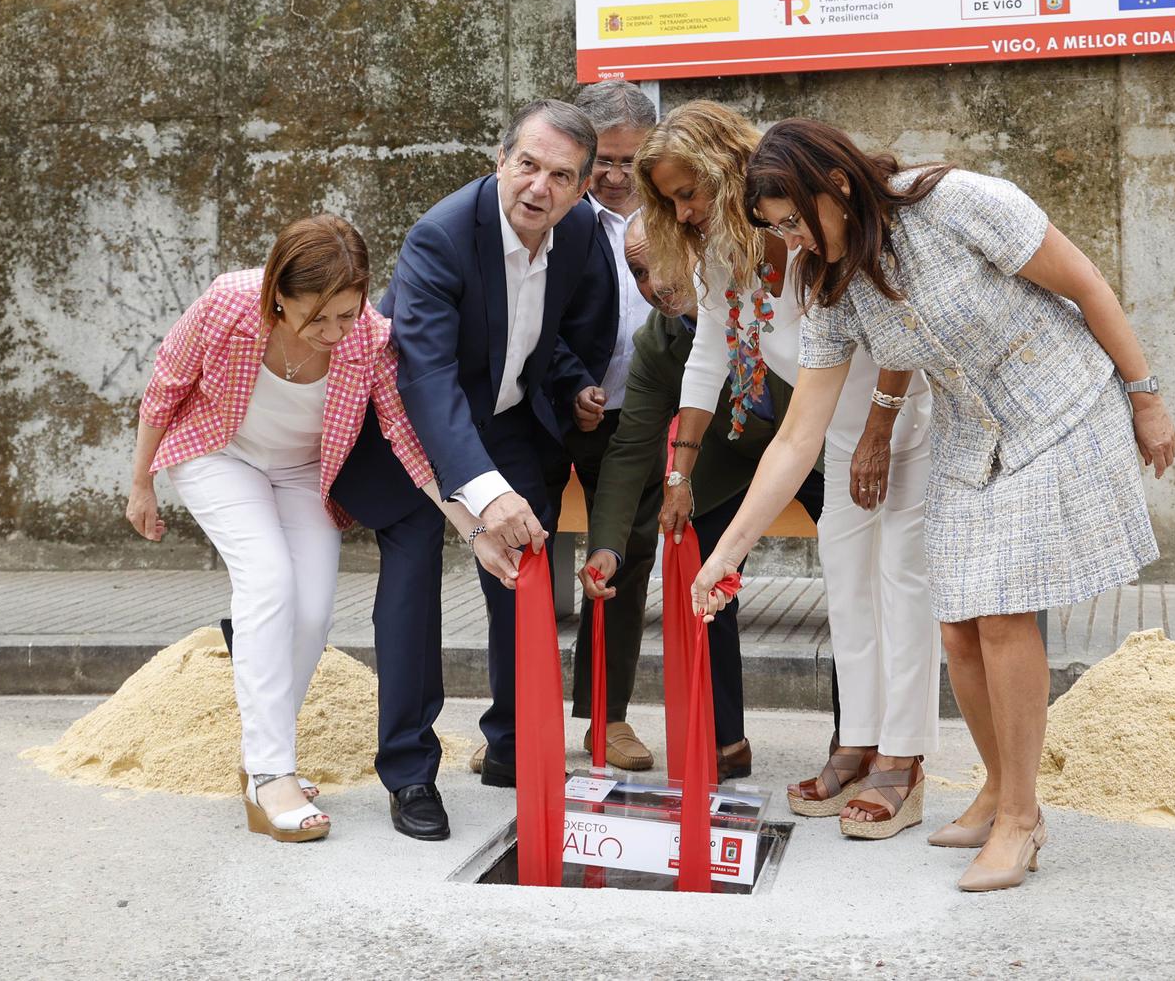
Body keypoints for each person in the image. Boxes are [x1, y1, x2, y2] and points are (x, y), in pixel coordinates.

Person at [692, 120, 1175, 892]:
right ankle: (999, 785)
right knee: (957, 623)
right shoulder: (830, 284)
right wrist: (726, 552)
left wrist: (1145, 396)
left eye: (793, 219)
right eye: (776, 227)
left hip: (1056, 403)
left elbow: (1085, 283)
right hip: (968, 431)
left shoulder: (957, 202)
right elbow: (796, 437)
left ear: (838, 185)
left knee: (1003, 611)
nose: (791, 240)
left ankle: (1021, 817)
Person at [127, 215, 486, 844]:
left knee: (313, 610)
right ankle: (271, 774)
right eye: (316, 318)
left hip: (302, 471)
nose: (333, 333)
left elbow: (405, 439)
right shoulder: (228, 305)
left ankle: (260, 756)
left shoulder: (370, 338)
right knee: (268, 582)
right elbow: (165, 386)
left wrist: (469, 524)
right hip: (218, 452)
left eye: (346, 314)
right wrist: (140, 483)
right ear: (276, 295)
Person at [638, 101, 939, 842]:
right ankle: (857, 743)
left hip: (909, 421)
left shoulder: (822, 241)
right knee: (846, 583)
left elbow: (900, 328)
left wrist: (878, 427)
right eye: (672, 199)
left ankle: (904, 761)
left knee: (902, 583)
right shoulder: (724, 256)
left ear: (730, 170)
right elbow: (711, 356)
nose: (685, 210)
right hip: (834, 434)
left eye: (692, 191)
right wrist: (681, 468)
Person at [348, 99, 614, 795]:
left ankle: (515, 747)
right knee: (413, 586)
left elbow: (563, 329)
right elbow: (427, 378)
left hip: (503, 417)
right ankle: (409, 772)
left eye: (561, 176)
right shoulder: (439, 236)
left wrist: (575, 385)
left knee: (525, 558)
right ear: (500, 160)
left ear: (583, 189)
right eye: (527, 164)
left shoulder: (581, 230)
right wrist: (484, 494)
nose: (539, 187)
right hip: (408, 423)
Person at [576, 214, 828, 779]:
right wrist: (607, 549)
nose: (654, 284)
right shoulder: (658, 343)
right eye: (638, 272)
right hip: (731, 460)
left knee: (851, 565)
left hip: (821, 444)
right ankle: (722, 738)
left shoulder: (773, 296)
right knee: (698, 561)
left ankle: (853, 742)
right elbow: (629, 450)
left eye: (662, 262)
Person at [546, 81, 661, 771]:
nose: (615, 176)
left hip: (637, 419)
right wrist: (570, 384)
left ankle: (607, 716)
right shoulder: (553, 212)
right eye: (605, 161)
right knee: (519, 554)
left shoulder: (672, 214)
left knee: (623, 559)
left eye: (630, 161)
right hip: (557, 412)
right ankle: (516, 717)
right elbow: (530, 317)